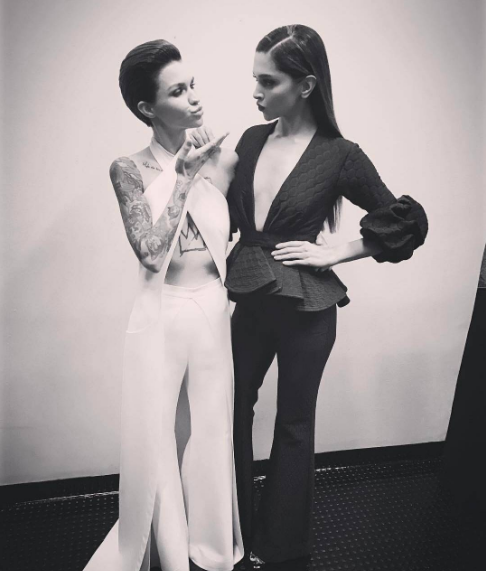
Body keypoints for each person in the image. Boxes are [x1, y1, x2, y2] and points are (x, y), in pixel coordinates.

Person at [224, 25, 429, 565]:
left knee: (294, 424)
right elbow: (222, 216)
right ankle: (231, 535)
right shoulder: (249, 140)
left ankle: (279, 549)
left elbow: (406, 221)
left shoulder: (340, 154)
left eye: (268, 81)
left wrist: (337, 252)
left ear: (306, 85)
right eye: (255, 79)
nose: (255, 92)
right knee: (230, 409)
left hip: (307, 309)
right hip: (252, 296)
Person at [83, 39, 243, 571]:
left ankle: (212, 548)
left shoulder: (224, 159)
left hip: (213, 308)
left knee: (212, 428)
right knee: (156, 434)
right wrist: (184, 175)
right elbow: (151, 253)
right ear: (147, 108)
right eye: (177, 91)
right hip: (162, 312)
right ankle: (169, 552)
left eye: (192, 85)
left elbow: (238, 238)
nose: (194, 98)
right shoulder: (128, 169)